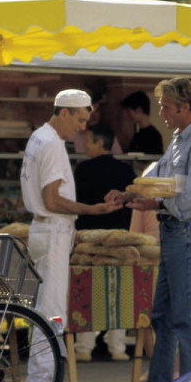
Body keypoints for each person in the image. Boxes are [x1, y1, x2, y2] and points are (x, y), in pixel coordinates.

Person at [111, 78, 191, 382]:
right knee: (162, 312)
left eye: (166, 107)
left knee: (186, 315)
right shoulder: (181, 137)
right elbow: (156, 176)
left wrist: (156, 203)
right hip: (175, 230)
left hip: (186, 230)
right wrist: (128, 193)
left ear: (185, 107)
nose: (160, 112)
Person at [19, 89, 123, 382]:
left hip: (45, 230)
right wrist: (92, 210)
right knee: (51, 314)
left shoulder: (40, 137)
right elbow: (52, 200)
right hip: (52, 231)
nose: (82, 127)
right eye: (79, 119)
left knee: (49, 312)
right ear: (63, 112)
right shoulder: (50, 143)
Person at [72, 125, 135, 363]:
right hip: (120, 241)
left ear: (100, 142)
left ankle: (84, 348)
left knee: (87, 293)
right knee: (117, 293)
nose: (85, 145)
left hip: (90, 241)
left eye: (89, 141)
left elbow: (78, 204)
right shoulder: (126, 170)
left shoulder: (83, 169)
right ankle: (117, 347)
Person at [123, 90, 164, 155]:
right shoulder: (137, 135)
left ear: (139, 110)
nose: (128, 115)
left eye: (129, 111)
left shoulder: (154, 136)